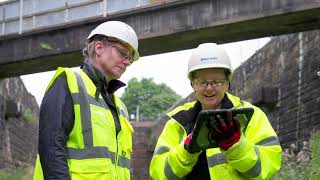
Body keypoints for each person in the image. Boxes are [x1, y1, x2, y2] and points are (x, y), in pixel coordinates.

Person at [149, 43, 282, 179]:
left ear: (227, 83)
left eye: (217, 82)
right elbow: (159, 174)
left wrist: (236, 146)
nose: (209, 88)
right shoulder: (177, 124)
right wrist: (186, 150)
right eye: (202, 82)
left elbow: (268, 167)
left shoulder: (251, 116)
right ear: (192, 84)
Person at [33, 21, 139, 179]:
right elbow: (51, 148)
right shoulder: (68, 82)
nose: (126, 62)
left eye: (129, 58)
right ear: (99, 48)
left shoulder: (120, 107)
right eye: (122, 53)